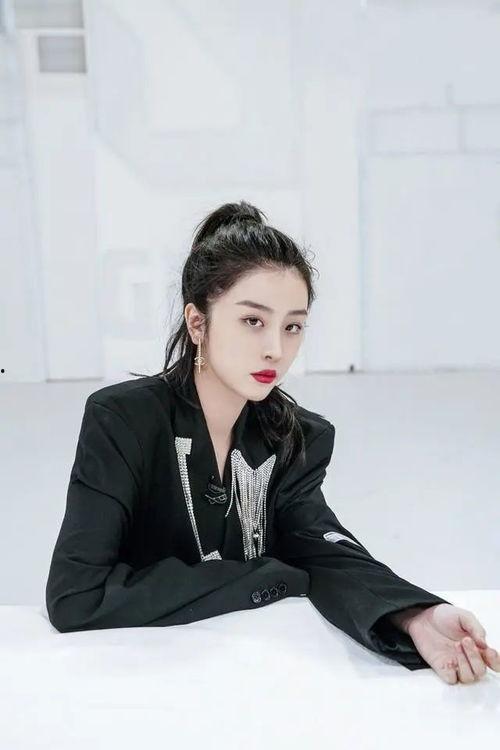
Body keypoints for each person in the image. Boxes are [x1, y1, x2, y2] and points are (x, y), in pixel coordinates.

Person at [45, 201, 499, 686]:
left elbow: (321, 547)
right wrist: (266, 576)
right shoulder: (124, 421)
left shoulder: (296, 437)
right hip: (130, 680)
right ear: (198, 323)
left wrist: (415, 615)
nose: (276, 350)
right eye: (253, 321)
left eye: (292, 326)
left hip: (256, 680)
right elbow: (76, 596)